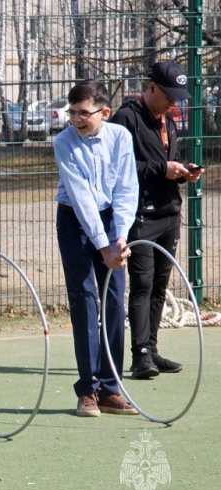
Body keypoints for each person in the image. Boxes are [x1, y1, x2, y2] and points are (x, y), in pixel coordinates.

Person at [109, 61, 204, 379]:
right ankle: (140, 355)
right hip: (140, 215)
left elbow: (164, 162)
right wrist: (162, 169)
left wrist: (181, 172)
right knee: (142, 284)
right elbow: (120, 167)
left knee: (160, 285)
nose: (174, 103)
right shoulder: (126, 118)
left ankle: (152, 347)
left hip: (169, 213)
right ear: (151, 89)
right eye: (170, 96)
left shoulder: (169, 121)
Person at [53, 80, 140, 417]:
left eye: (83, 113)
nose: (75, 119)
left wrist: (120, 235)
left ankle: (110, 388)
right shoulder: (64, 142)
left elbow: (126, 188)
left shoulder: (120, 137)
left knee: (115, 300)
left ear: (104, 112)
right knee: (86, 300)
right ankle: (87, 389)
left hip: (110, 222)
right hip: (75, 221)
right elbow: (81, 198)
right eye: (71, 112)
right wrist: (102, 245)